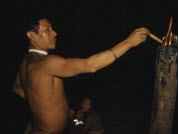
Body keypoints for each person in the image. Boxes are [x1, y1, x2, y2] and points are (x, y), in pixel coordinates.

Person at [11, 16, 150, 134]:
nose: (54, 33)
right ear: (31, 35)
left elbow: (17, 87)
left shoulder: (26, 61)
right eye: (48, 29)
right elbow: (90, 65)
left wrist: (45, 106)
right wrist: (129, 42)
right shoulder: (47, 62)